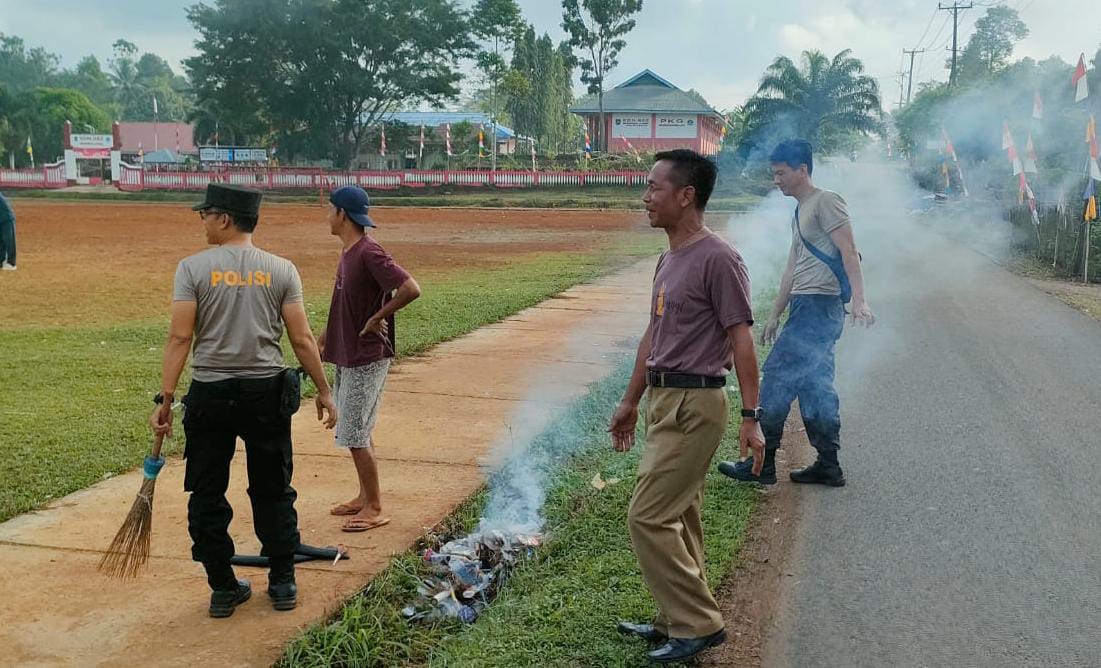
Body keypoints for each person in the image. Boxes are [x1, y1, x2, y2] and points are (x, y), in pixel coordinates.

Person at [150, 183, 338, 618]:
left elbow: (180, 337)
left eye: (206, 214)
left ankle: (222, 587)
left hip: (211, 394)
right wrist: (324, 390)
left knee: (207, 490)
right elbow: (302, 337)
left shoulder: (192, 269)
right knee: (274, 487)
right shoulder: (281, 270)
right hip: (265, 392)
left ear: (225, 218)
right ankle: (283, 582)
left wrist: (166, 398)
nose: (202, 220)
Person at [608, 149, 765, 664]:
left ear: (686, 195)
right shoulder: (668, 257)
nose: (646, 197)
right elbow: (652, 335)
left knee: (647, 517)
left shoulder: (718, 257)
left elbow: (741, 339)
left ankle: (699, 624)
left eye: (654, 187)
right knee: (678, 516)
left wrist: (750, 417)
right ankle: (676, 618)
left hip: (696, 404)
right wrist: (631, 401)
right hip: (663, 400)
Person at [719, 139, 874, 488]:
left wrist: (861, 300)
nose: (777, 180)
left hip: (820, 307)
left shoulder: (826, 201)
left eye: (781, 173)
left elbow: (849, 251)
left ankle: (762, 464)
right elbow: (792, 268)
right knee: (815, 387)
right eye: (774, 174)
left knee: (776, 377)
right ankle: (828, 465)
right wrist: (775, 314)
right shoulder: (799, 211)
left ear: (803, 170)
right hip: (806, 307)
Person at [318, 186, 420, 533]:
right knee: (358, 428)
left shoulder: (369, 252)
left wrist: (379, 318)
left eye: (330, 210)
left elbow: (410, 288)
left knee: (355, 432)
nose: (327, 216)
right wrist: (323, 339)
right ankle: (364, 496)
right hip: (348, 353)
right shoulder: (348, 252)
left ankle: (375, 506)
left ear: (342, 215)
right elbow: (340, 303)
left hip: (367, 356)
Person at [0, 192, 16, 270]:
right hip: (1, 219)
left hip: (7, 219)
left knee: (9, 242)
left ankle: (11, 263)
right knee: (1, 242)